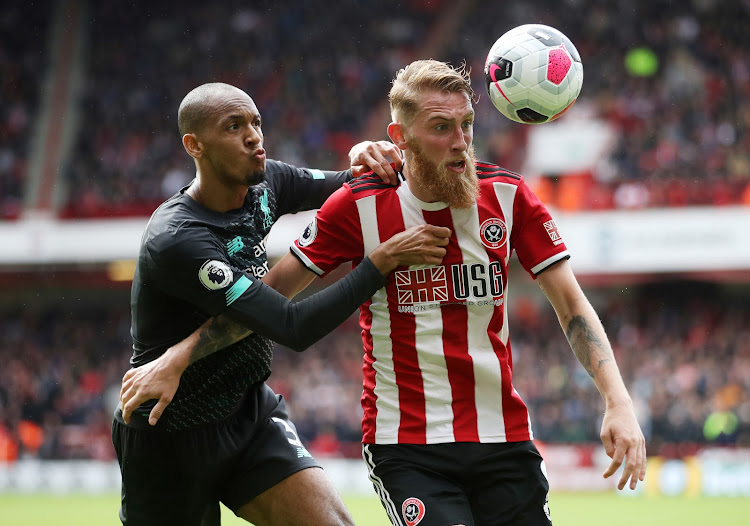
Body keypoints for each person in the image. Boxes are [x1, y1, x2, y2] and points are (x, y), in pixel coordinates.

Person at [124, 62, 647, 526]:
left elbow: (573, 306)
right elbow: (278, 311)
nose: (460, 141)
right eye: (441, 128)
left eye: (466, 125)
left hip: (499, 437)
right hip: (399, 445)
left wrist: (617, 401)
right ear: (404, 136)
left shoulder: (508, 196)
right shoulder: (342, 212)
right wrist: (183, 354)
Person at [113, 81, 451, 526]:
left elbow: (352, 187)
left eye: (255, 122)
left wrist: (369, 157)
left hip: (247, 411)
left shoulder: (266, 182)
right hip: (169, 429)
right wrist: (379, 264)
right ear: (194, 145)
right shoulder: (179, 239)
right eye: (234, 127)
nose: (254, 136)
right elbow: (291, 326)